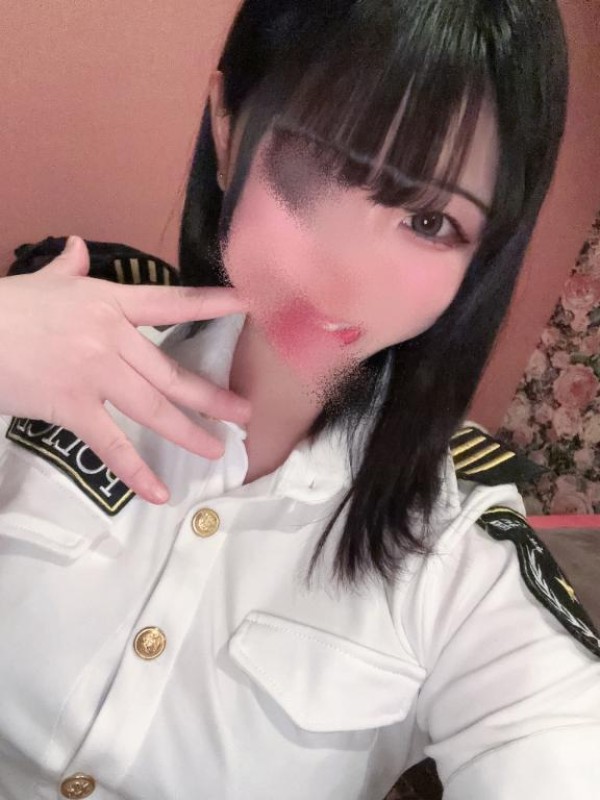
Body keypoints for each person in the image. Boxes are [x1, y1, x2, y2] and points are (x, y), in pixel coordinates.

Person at [1, 2, 598, 799]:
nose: (345, 270)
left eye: (429, 220)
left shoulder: (461, 554)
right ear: (227, 131)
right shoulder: (43, 358)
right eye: (316, 165)